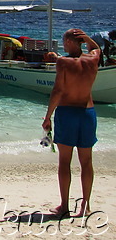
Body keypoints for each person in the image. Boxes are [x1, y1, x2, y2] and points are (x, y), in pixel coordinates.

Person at [42, 28, 101, 218]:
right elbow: (97, 48)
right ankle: (86, 205)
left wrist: (47, 116)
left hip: (67, 113)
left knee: (64, 162)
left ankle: (65, 206)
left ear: (68, 42)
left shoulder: (63, 62)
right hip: (87, 113)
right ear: (81, 41)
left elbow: (58, 91)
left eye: (64, 41)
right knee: (86, 161)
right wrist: (87, 38)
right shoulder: (92, 59)